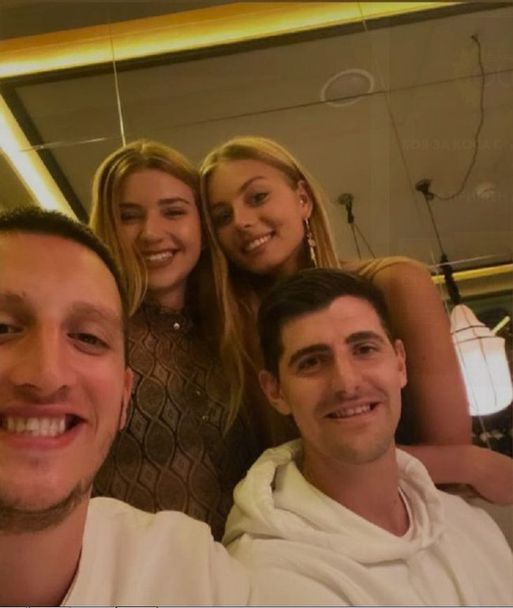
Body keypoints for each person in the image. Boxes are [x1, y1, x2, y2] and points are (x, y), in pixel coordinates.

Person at [199, 135, 512, 502]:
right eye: (222, 217)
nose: (242, 221)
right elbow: (459, 461)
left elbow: (450, 450)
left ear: (303, 199)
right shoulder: (234, 333)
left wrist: (465, 463)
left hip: (420, 508)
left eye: (257, 197)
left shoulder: (395, 283)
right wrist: (468, 464)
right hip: (303, 520)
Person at [0, 207, 249, 606]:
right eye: (3, 328)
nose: (47, 376)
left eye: (88, 337)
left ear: (124, 399)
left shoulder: (191, 572)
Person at [224, 268, 513, 606]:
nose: (347, 383)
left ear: (400, 364)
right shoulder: (269, 579)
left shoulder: (469, 524)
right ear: (275, 391)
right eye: (312, 362)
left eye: (364, 349)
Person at [90, 139, 259, 540]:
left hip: (257, 561)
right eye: (129, 216)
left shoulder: (241, 322)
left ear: (202, 223)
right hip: (138, 569)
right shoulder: (90, 338)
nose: (151, 233)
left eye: (173, 211)